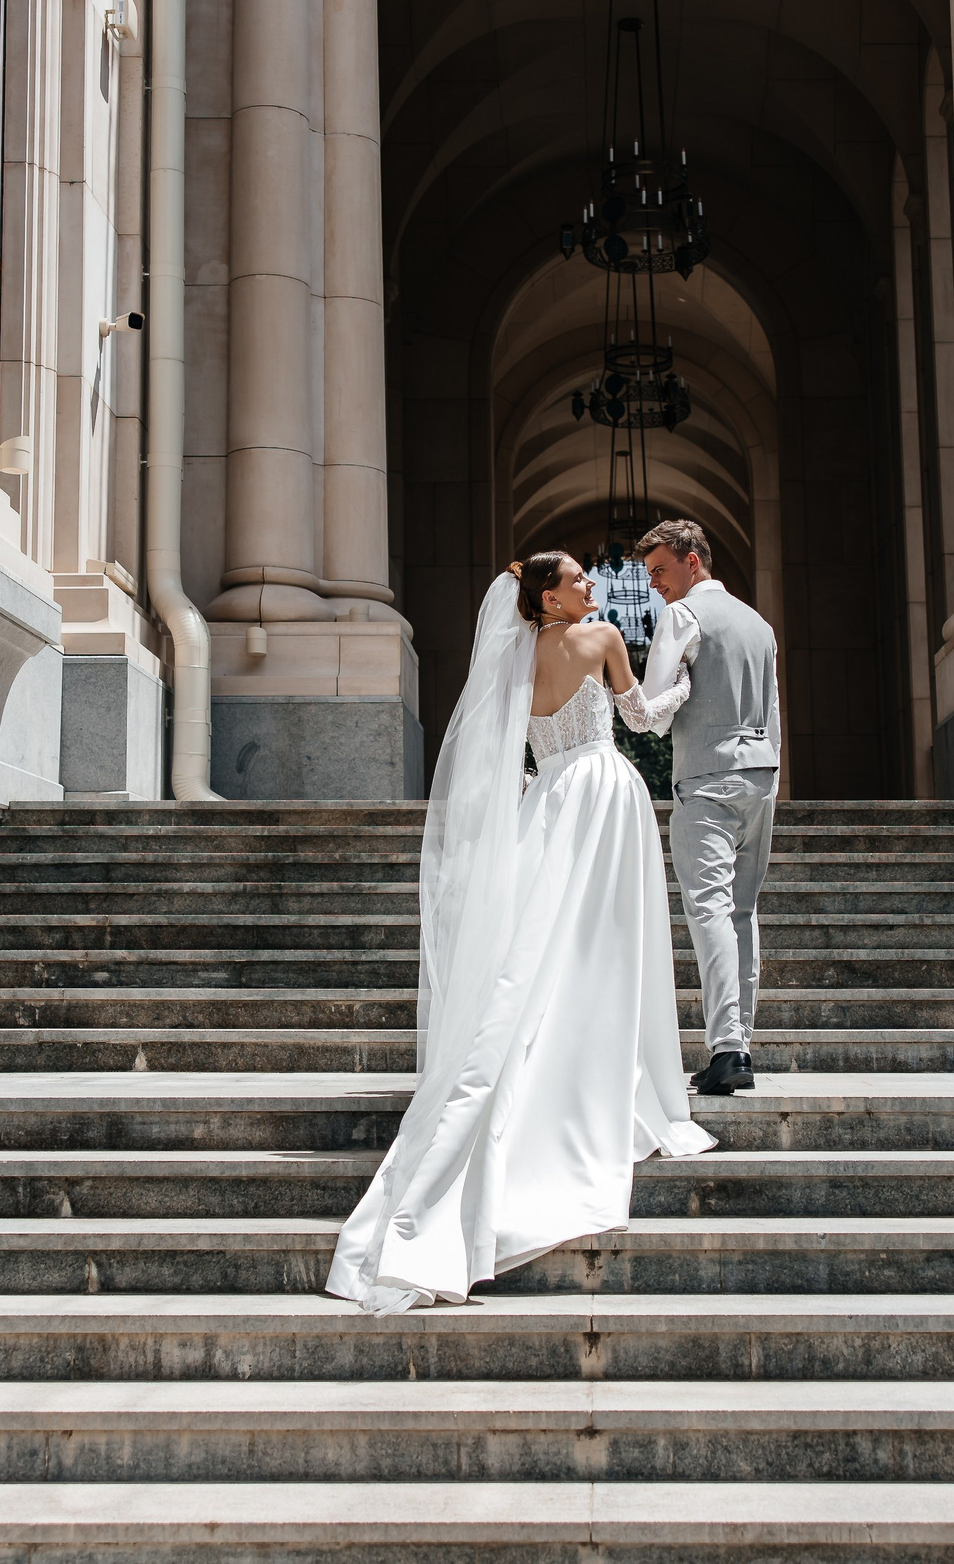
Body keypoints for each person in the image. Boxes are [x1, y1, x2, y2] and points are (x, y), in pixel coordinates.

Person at [325, 551, 717, 1314]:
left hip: (548, 802)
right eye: (577, 578)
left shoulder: (512, 661)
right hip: (604, 795)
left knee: (536, 952)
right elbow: (640, 720)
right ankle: (606, 1069)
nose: (592, 586)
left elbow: (506, 749)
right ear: (547, 593)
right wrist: (679, 690)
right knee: (602, 947)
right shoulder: (601, 639)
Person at [636, 517, 783, 1095]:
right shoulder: (760, 623)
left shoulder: (683, 615)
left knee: (710, 910)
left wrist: (674, 694)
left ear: (691, 560)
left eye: (660, 571)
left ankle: (728, 1049)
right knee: (742, 911)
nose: (654, 585)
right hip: (761, 773)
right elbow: (771, 708)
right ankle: (739, 1044)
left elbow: (652, 698)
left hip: (707, 775)